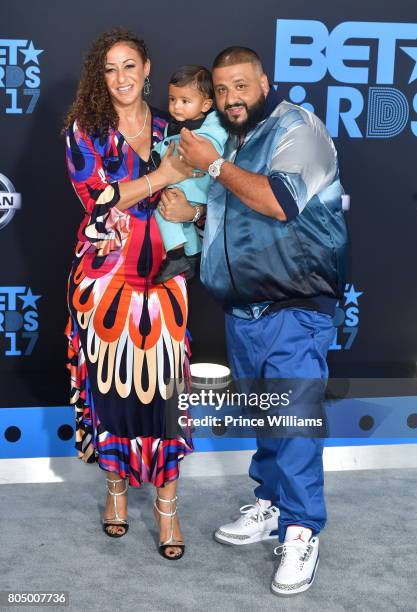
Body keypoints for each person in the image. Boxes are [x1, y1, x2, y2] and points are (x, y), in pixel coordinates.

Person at [175, 47, 348, 594]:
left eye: (241, 87)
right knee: (269, 420)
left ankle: (301, 531)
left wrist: (211, 166)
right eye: (221, 91)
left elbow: (279, 203)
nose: (230, 100)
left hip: (295, 307)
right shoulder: (231, 141)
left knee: (294, 425)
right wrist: (198, 213)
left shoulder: (297, 127)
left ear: (264, 82)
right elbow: (240, 218)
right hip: (244, 311)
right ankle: (272, 505)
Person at [63, 27, 199, 560]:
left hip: (166, 282)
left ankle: (168, 507)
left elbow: (202, 195)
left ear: (147, 69)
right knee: (111, 393)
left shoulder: (177, 128)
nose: (120, 78)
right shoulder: (87, 131)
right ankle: (115, 492)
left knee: (167, 396)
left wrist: (192, 209)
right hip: (104, 282)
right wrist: (161, 175)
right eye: (110, 69)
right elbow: (97, 200)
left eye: (129, 66)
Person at [152, 65, 227, 284]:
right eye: (172, 99)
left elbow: (207, 148)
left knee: (165, 209)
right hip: (185, 183)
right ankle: (192, 254)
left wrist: (156, 157)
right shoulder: (175, 125)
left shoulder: (212, 128)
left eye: (185, 101)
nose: (176, 106)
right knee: (181, 220)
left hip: (197, 184)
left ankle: (176, 257)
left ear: (206, 104)